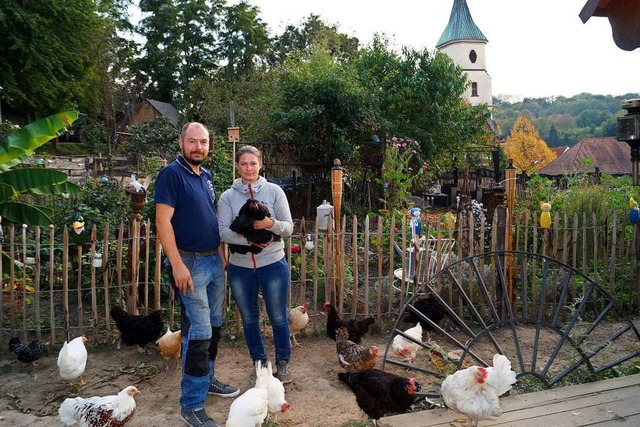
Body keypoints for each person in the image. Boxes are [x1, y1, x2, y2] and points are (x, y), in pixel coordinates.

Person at [155, 122, 239, 427]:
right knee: (199, 331)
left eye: (203, 142)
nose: (198, 147)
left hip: (213, 261)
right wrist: (176, 264)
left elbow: (212, 217)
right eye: (193, 142)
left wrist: (220, 252)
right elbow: (163, 222)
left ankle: (208, 379)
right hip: (188, 264)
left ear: (209, 146)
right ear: (181, 142)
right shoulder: (171, 175)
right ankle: (191, 405)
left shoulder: (206, 176)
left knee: (215, 326)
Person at [218, 145, 294, 383]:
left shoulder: (274, 192)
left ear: (261, 165)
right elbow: (222, 233)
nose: (248, 168)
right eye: (243, 164)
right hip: (240, 267)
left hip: (273, 264)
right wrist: (251, 240)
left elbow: (288, 227)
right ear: (237, 166)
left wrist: (269, 224)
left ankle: (283, 362)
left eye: (253, 163)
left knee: (278, 316)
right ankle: (260, 363)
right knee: (249, 318)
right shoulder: (228, 197)